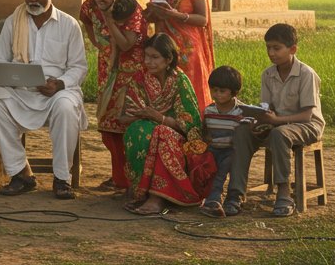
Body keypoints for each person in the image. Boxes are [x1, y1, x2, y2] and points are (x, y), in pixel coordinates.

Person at [0, 0, 88, 200]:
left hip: (58, 91)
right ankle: (22, 173)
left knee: (65, 107)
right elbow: (0, 59)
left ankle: (62, 179)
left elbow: (79, 67)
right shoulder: (13, 20)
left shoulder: (69, 25)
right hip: (21, 90)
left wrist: (59, 83)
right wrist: (12, 77)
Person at [224, 23, 324, 218]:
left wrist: (276, 121)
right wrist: (258, 120)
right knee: (242, 131)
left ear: (292, 49)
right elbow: (267, 108)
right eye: (268, 47)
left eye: (276, 48)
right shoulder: (268, 74)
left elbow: (306, 115)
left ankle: (284, 193)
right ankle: (236, 194)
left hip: (307, 125)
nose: (271, 53)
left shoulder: (306, 74)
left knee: (280, 134)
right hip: (278, 123)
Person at [120, 33, 216, 215]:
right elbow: (124, 117)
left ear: (168, 58)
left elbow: (191, 126)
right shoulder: (139, 80)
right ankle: (141, 193)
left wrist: (158, 117)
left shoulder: (180, 81)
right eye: (146, 56)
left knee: (161, 133)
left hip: (177, 139)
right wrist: (141, 116)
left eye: (154, 57)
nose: (149, 62)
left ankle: (158, 197)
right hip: (145, 130)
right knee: (138, 131)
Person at [78, 0, 146, 193]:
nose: (98, 1)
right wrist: (98, 43)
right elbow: (85, 19)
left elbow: (127, 44)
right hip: (107, 70)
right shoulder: (89, 6)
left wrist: (109, 21)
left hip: (132, 72)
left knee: (127, 124)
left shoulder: (129, 8)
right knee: (108, 126)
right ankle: (120, 177)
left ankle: (132, 178)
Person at [144, 0, 214, 110]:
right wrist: (151, 13)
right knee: (166, 90)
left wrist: (176, 15)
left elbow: (203, 19)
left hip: (188, 49)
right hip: (163, 48)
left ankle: (194, 130)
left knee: (190, 92)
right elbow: (152, 17)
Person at [199, 65, 247, 217]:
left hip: (231, 150)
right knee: (212, 172)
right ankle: (212, 199)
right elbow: (206, 131)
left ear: (234, 92)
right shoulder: (209, 111)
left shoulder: (241, 111)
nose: (217, 94)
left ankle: (219, 200)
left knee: (220, 173)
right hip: (213, 149)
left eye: (222, 91)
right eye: (214, 90)